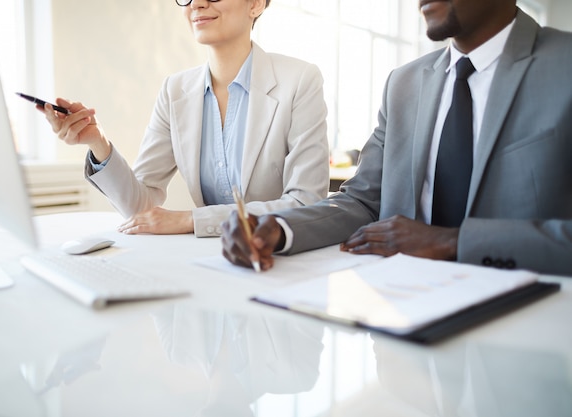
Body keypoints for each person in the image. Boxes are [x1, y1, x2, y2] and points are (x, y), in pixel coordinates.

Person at [221, 0, 572, 276]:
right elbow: (363, 202)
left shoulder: (563, 65)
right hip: (403, 315)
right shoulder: (404, 84)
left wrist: (453, 242)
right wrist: (279, 229)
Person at [42, 0, 329, 237]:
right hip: (208, 259)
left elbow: (307, 204)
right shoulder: (174, 90)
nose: (198, 4)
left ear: (255, 5)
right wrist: (98, 142)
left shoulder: (300, 80)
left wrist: (193, 219)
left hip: (277, 259)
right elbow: (141, 208)